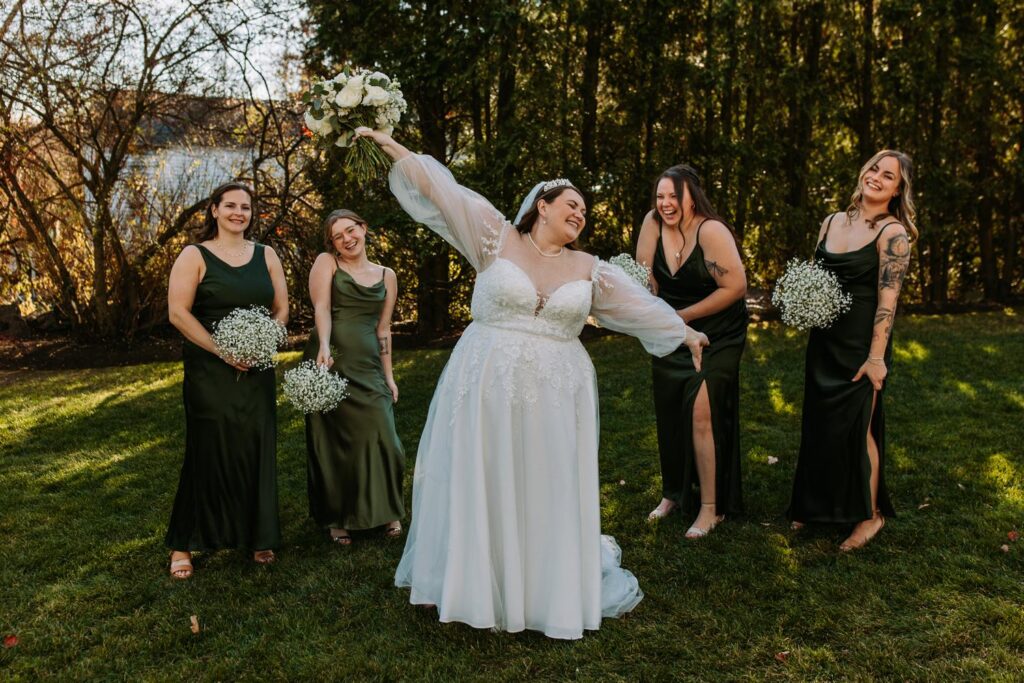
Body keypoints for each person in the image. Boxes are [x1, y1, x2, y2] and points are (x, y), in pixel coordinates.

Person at [355, 127, 708, 640]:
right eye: (571, 203)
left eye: (584, 211)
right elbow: (441, 188)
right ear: (542, 205)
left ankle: (543, 586)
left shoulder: (590, 268)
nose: (579, 214)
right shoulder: (494, 236)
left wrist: (685, 332)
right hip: (485, 380)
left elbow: (640, 308)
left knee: (546, 477)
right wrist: (389, 142)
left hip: (557, 390)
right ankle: (481, 581)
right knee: (487, 471)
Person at [788, 150, 917, 551]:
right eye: (874, 168)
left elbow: (887, 301)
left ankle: (869, 516)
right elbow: (815, 277)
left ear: (898, 190)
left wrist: (876, 357)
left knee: (859, 428)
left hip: (862, 346)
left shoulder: (892, 233)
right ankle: (815, 504)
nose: (876, 177)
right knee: (820, 423)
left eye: (888, 176)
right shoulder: (831, 222)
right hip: (825, 340)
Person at [165, 181, 289, 578]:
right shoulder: (194, 255)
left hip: (257, 365)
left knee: (255, 447)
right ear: (214, 210)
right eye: (231, 206)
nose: (239, 213)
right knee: (208, 449)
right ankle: (183, 544)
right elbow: (178, 314)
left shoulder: (266, 254)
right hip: (209, 369)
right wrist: (224, 351)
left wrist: (263, 340)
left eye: (246, 207)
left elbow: (282, 308)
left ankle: (258, 536)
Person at [636, 164, 748, 538]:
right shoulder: (652, 223)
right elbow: (645, 275)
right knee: (670, 406)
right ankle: (674, 493)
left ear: (692, 196)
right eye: (660, 196)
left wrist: (679, 316)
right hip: (671, 329)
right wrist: (650, 303)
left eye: (674, 196)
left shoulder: (711, 231)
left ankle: (711, 508)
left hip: (719, 330)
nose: (665, 204)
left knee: (702, 410)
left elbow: (734, 288)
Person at [303, 209, 405, 546]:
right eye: (338, 236)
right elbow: (321, 308)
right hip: (331, 362)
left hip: (369, 366)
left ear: (363, 228)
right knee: (334, 442)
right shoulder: (328, 264)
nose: (347, 239)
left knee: (385, 440)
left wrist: (388, 376)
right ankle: (338, 520)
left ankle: (388, 510)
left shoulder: (387, 274)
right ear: (331, 243)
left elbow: (383, 329)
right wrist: (324, 347)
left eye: (351, 230)